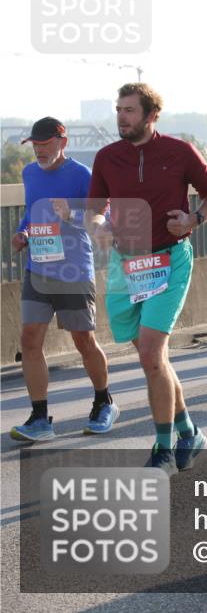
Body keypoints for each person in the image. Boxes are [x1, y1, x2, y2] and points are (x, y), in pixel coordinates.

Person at [85, 82, 207, 473]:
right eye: (118, 109)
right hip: (126, 266)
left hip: (169, 260)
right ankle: (189, 431)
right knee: (154, 360)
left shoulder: (180, 151)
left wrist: (194, 218)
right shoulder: (107, 157)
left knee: (150, 354)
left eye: (129, 110)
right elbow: (94, 210)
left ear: (151, 115)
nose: (121, 117)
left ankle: (163, 448)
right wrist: (98, 227)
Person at [10, 117, 115, 442]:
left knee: (83, 341)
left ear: (63, 143)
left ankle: (104, 402)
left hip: (73, 270)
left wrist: (71, 214)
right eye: (35, 145)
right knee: (29, 340)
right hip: (38, 268)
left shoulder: (82, 175)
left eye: (45, 144)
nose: (39, 151)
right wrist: (24, 232)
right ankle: (40, 418)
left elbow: (105, 218)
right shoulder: (29, 173)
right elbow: (31, 213)